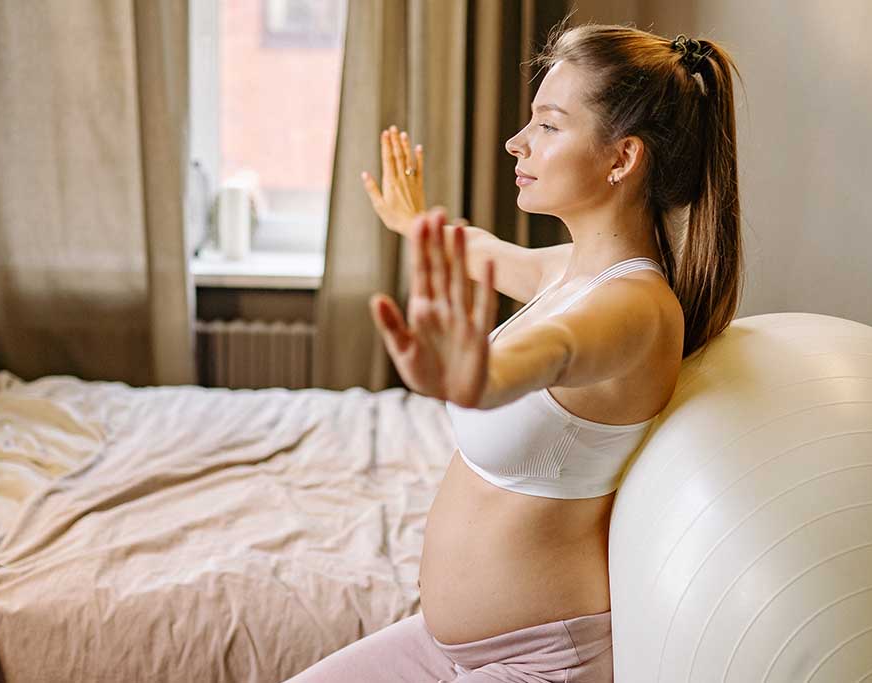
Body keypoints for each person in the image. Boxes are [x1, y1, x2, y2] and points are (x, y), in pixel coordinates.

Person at [285, 20, 744, 683]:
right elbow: (487, 253)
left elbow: (555, 351)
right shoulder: (571, 271)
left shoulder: (635, 310)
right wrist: (415, 224)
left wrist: (483, 374)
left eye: (549, 126)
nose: (515, 143)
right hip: (448, 647)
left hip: (540, 664)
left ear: (622, 158)